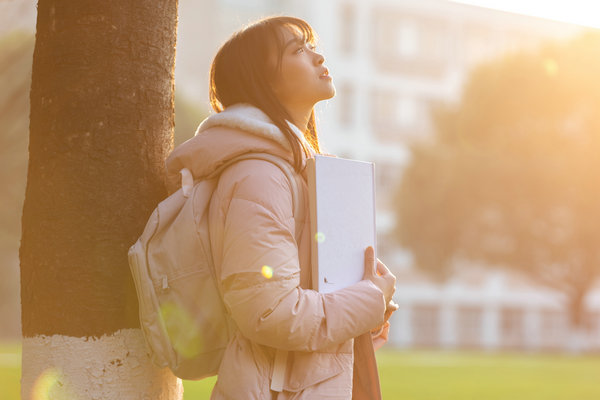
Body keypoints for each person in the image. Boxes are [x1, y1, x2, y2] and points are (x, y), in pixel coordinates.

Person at [166, 16, 397, 400]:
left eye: (311, 45)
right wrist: (370, 299)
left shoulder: (297, 170)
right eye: (298, 50)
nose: (319, 56)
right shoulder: (259, 175)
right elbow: (270, 313)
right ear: (264, 79)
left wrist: (368, 310)